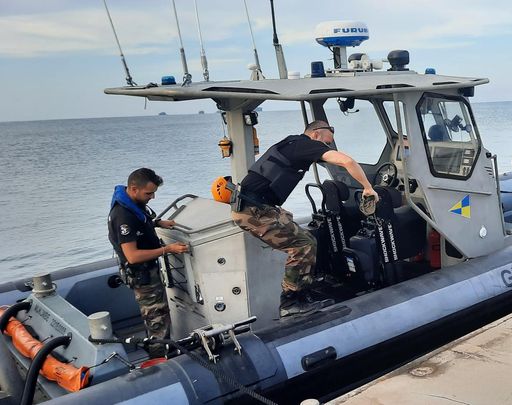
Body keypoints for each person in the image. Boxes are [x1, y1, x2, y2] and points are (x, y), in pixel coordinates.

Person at [221, 120, 379, 317]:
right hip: (252, 210)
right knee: (303, 244)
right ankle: (290, 302)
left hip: (256, 206)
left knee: (304, 237)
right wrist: (367, 187)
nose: (326, 147)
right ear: (316, 133)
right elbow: (346, 161)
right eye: (327, 142)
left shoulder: (292, 143)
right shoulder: (306, 144)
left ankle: (303, 291)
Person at [108, 168, 188, 358]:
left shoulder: (132, 205)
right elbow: (132, 256)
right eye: (149, 193)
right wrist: (167, 249)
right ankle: (160, 359)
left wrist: (158, 223)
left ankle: (159, 349)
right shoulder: (123, 216)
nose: (152, 197)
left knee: (156, 316)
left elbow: (141, 222)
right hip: (142, 276)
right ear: (134, 189)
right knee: (156, 319)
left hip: (148, 272)